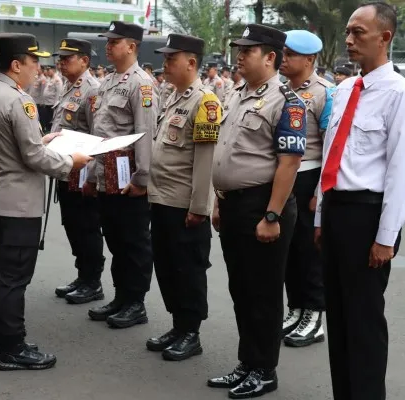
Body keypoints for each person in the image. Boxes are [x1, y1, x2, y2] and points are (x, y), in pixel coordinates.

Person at [314, 3, 405, 399]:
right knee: (339, 318)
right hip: (338, 211)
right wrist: (320, 217)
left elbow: (401, 170)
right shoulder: (343, 90)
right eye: (347, 31)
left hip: (368, 216)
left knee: (363, 322)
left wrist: (386, 237)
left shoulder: (401, 94)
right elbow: (331, 157)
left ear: (385, 37)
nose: (349, 39)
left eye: (359, 32)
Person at [0, 33, 92, 371]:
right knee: (14, 278)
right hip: (19, 202)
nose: (38, 70)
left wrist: (42, 139)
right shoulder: (20, 101)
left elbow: (16, 145)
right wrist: (72, 163)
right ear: (16, 65)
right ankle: (13, 347)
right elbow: (33, 158)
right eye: (33, 62)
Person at [207, 24, 306, 399]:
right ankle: (246, 363)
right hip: (233, 205)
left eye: (248, 50)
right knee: (241, 290)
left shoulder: (287, 102)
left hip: (263, 206)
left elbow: (289, 163)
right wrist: (219, 199)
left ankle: (264, 370)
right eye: (239, 49)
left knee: (263, 294)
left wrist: (272, 216)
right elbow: (228, 153)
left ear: (270, 57)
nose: (240, 55)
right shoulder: (235, 94)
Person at [146, 33, 220, 362]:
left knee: (187, 269)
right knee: (165, 265)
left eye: (170, 59)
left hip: (184, 204)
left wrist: (200, 208)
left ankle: (191, 331)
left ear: (191, 63)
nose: (165, 65)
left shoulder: (205, 102)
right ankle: (177, 325)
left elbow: (205, 161)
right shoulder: (174, 98)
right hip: (161, 198)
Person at [83, 21, 157, 329]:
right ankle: (121, 296)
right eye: (107, 41)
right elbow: (98, 133)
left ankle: (135, 302)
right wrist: (90, 175)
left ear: (132, 46)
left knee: (133, 242)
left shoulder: (142, 84)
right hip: (106, 176)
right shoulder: (108, 81)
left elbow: (145, 133)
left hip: (128, 180)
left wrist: (142, 179)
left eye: (115, 42)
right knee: (114, 239)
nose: (108, 46)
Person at [279, 30, 335, 348]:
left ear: (310, 59)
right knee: (287, 249)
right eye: (283, 54)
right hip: (283, 178)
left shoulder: (326, 94)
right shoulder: (280, 89)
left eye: (290, 55)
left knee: (308, 251)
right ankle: (296, 308)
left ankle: (314, 316)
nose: (283, 60)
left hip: (309, 178)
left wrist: (320, 193)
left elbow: (329, 147)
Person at [50, 38, 106, 304]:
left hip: (82, 169)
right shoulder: (68, 87)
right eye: (60, 59)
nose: (61, 63)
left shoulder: (92, 90)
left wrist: (93, 176)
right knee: (72, 223)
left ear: (84, 61)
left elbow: (98, 136)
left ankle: (92, 280)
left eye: (67, 58)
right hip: (65, 168)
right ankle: (83, 275)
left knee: (86, 225)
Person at [38, 64, 63, 132]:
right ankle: (48, 131)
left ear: (54, 70)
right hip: (47, 104)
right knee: (47, 120)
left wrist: (55, 106)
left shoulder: (57, 80)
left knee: (51, 121)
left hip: (52, 105)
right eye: (47, 70)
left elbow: (59, 94)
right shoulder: (49, 79)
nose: (47, 71)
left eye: (49, 70)